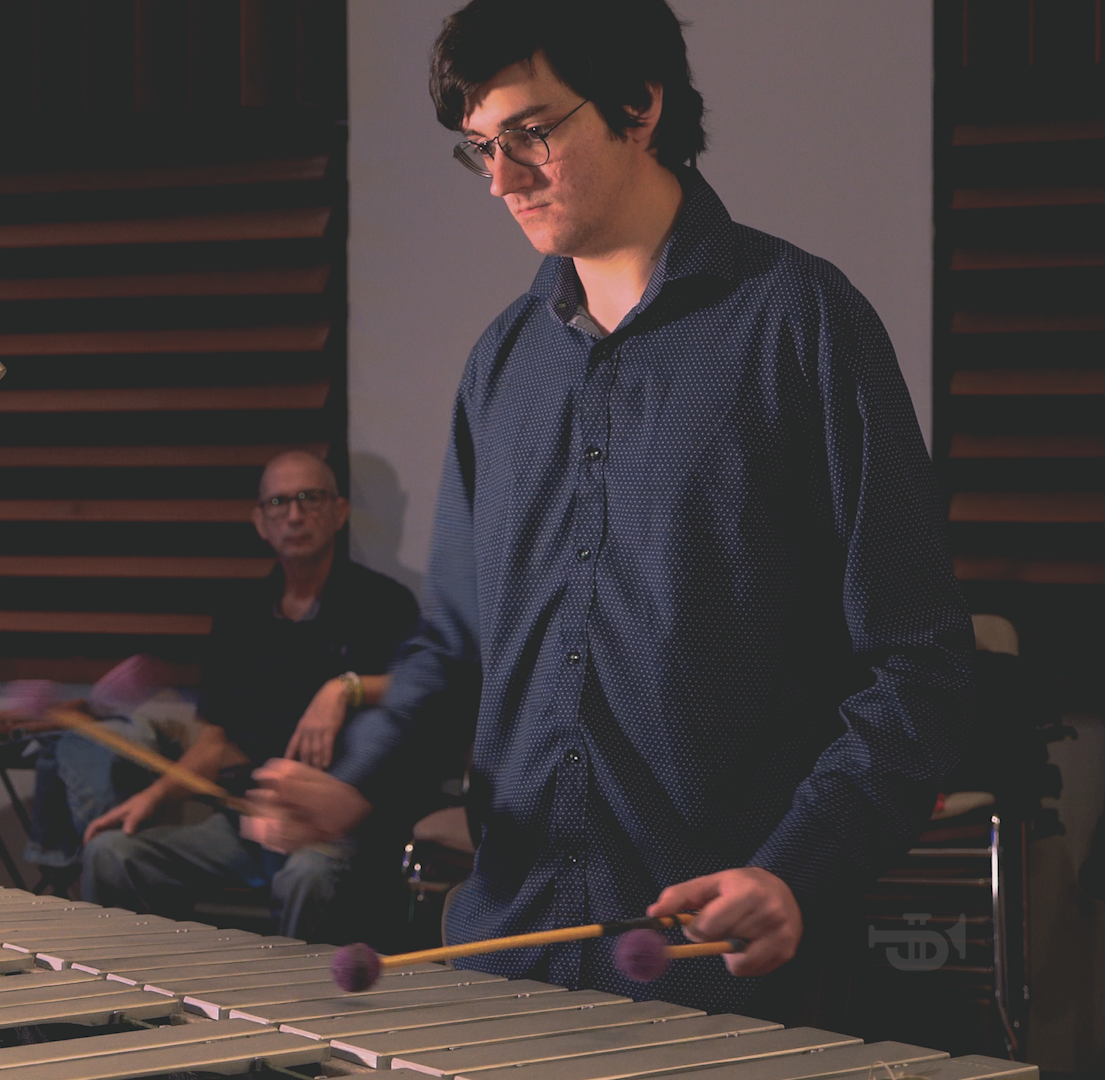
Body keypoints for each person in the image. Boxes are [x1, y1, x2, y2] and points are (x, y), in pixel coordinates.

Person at [245, 0, 973, 1017]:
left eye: (532, 134)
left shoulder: (800, 323)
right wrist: (359, 779)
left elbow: (920, 661)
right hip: (510, 958)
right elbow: (453, 648)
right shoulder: (502, 366)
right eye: (479, 150)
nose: (500, 180)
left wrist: (797, 869)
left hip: (720, 975)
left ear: (639, 105)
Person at [80, 451, 421, 942]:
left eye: (310, 498)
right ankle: (143, 1006)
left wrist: (345, 688)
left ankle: (295, 1015)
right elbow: (215, 742)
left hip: (333, 830)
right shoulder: (240, 616)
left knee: (309, 876)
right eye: (279, 503)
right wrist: (150, 799)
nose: (295, 515)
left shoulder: (383, 604)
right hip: (246, 822)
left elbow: (428, 689)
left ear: (339, 512)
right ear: (261, 522)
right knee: (112, 854)